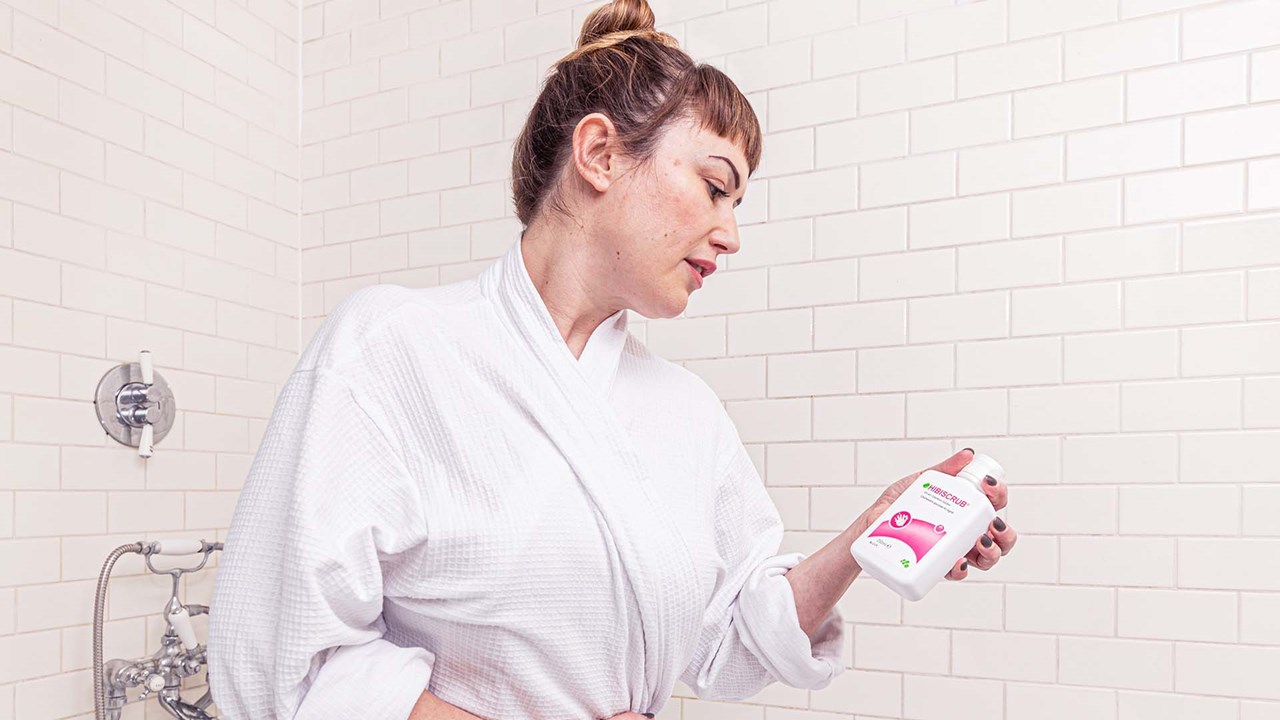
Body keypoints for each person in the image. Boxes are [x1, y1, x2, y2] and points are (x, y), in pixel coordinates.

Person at [206, 1, 1017, 718]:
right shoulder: (391, 350)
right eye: (714, 185)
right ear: (599, 154)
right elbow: (288, 663)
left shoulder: (684, 411)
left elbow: (727, 639)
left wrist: (870, 534)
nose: (731, 234)